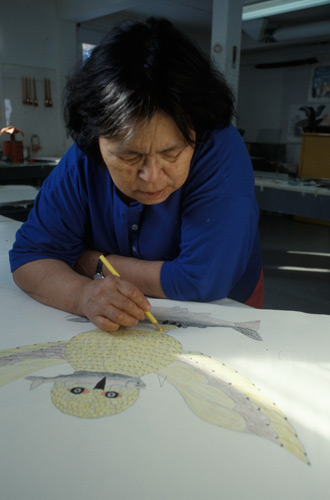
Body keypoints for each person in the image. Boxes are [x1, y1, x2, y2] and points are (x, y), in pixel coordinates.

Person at [9, 17, 263, 332]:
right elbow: (30, 257)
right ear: (94, 138)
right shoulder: (84, 158)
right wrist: (83, 294)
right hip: (123, 307)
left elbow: (203, 279)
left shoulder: (219, 148)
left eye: (172, 154)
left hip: (223, 308)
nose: (153, 177)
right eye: (130, 156)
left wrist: (94, 263)